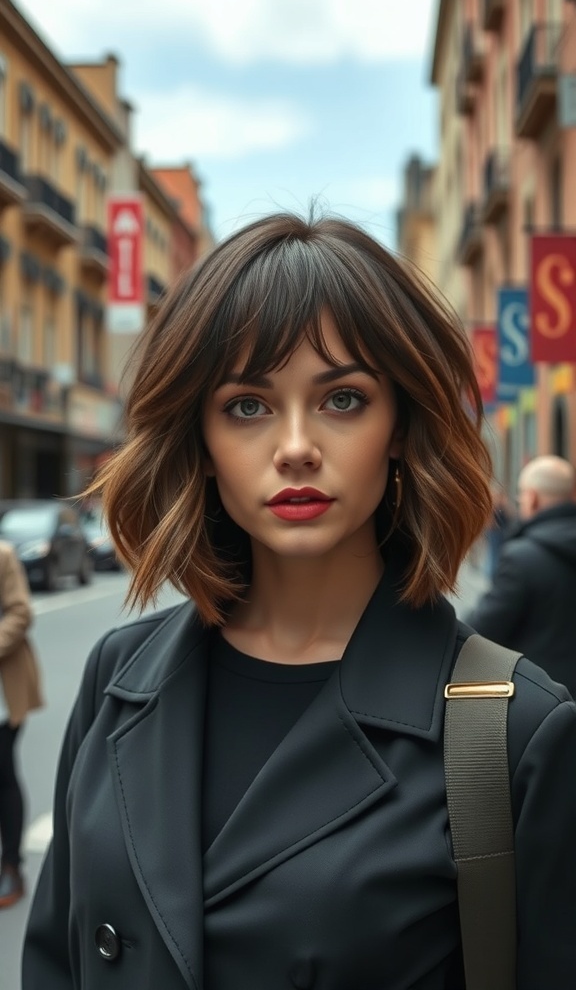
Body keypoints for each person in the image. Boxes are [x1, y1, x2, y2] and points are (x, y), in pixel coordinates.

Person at [22, 213, 576, 989]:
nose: (294, 445)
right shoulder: (121, 675)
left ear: (399, 427)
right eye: (247, 405)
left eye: (342, 399)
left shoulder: (516, 728)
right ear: (202, 444)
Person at [466, 454, 576, 697]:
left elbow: (482, 630)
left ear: (533, 498)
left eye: (522, 496)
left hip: (546, 701)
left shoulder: (522, 558)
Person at [0, 539, 43, 908]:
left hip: (2, 691)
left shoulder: (3, 555)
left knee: (3, 776)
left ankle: (11, 866)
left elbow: (20, 613)